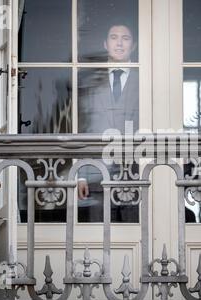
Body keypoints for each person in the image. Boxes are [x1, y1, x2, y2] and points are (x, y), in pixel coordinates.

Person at [77, 23, 139, 223]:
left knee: (137, 231)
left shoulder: (145, 81)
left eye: (125, 38)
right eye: (114, 37)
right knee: (99, 235)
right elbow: (82, 129)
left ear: (134, 45)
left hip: (137, 175)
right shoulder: (90, 82)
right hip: (97, 174)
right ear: (105, 44)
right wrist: (81, 175)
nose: (119, 43)